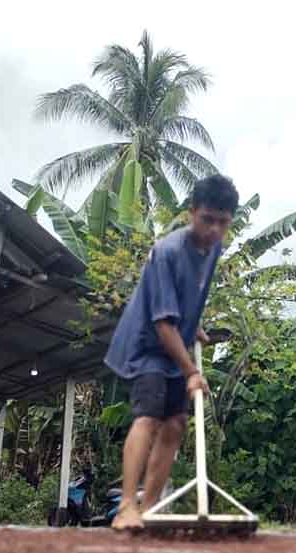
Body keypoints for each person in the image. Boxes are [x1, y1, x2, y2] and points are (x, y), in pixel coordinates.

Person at [104, 175, 238, 530]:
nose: (213, 229)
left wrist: (192, 322)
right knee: (148, 417)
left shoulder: (214, 250)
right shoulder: (168, 252)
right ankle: (126, 507)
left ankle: (150, 509)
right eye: (207, 219)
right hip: (147, 344)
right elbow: (162, 323)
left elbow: (188, 296)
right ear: (192, 212)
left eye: (222, 222)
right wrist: (192, 371)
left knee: (176, 423)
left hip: (176, 339)